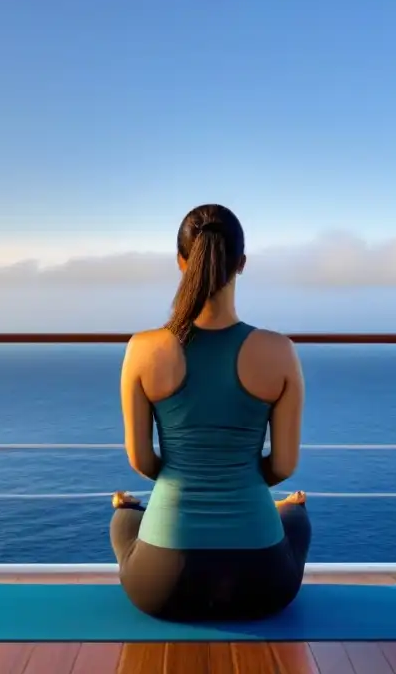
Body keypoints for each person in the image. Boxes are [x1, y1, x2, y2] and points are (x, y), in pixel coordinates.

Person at [109, 203, 311, 621]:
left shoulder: (143, 349)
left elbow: (142, 461)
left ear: (181, 261)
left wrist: (188, 476)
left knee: (123, 525)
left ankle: (128, 509)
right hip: (262, 584)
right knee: (298, 521)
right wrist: (239, 479)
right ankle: (285, 509)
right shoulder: (280, 351)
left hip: (162, 585)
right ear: (242, 263)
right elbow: (284, 464)